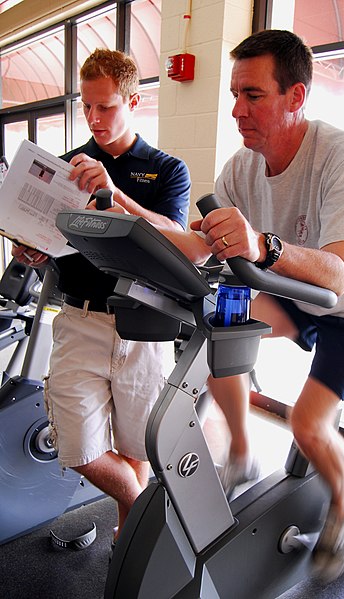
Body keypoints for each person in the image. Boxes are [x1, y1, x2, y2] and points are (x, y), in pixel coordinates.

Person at [153, 29, 344, 582]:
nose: (237, 110)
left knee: (308, 423)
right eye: (234, 94)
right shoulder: (243, 166)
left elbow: (336, 274)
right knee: (222, 337)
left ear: (296, 96)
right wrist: (132, 229)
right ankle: (243, 451)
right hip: (298, 295)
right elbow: (199, 242)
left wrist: (263, 244)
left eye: (253, 95)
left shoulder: (342, 155)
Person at [12, 48, 191, 545]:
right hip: (79, 319)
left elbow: (177, 238)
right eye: (87, 106)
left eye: (106, 106)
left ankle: (126, 540)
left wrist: (116, 195)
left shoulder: (166, 170)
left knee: (136, 446)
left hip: (143, 324)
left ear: (133, 101)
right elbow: (51, 244)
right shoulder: (68, 165)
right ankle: (140, 514)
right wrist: (33, 252)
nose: (94, 118)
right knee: (78, 447)